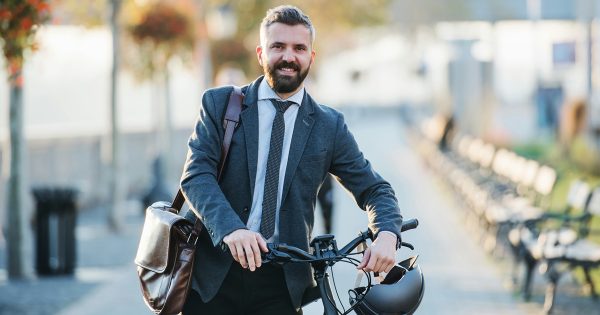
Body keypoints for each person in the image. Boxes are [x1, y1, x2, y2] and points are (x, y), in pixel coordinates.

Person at [180, 5, 403, 314]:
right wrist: (232, 229)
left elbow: (375, 190)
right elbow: (196, 176)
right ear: (261, 54)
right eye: (278, 47)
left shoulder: (329, 126)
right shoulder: (219, 104)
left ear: (311, 57)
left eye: (299, 48)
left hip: (282, 286)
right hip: (214, 277)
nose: (289, 56)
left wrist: (387, 234)